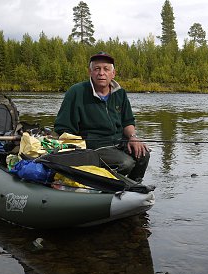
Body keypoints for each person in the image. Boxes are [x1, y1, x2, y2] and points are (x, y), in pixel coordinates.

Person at [54, 51, 149, 182]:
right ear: (90, 72)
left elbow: (127, 121)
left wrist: (133, 137)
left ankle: (134, 185)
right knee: (125, 163)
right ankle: (108, 186)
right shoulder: (76, 92)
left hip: (119, 143)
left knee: (143, 153)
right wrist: (79, 149)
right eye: (97, 69)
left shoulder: (120, 93)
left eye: (106, 69)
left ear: (113, 73)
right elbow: (63, 128)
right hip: (93, 147)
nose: (101, 73)